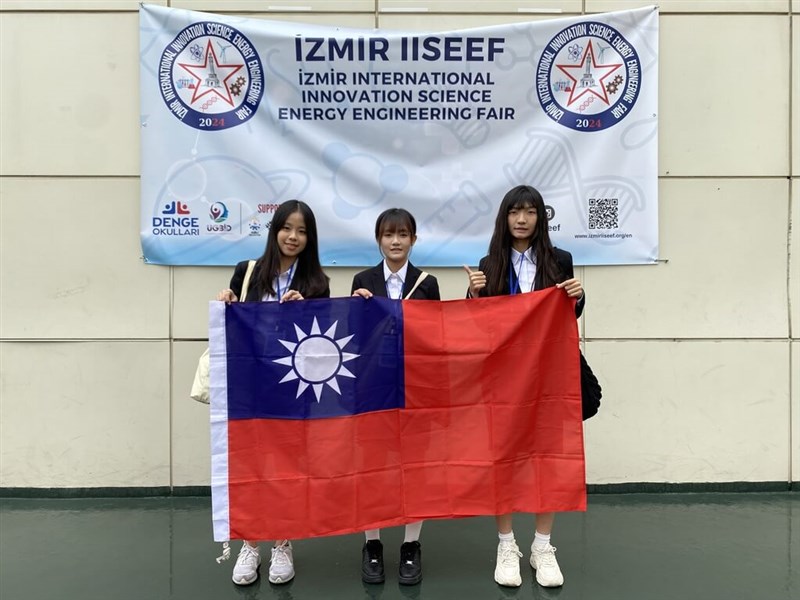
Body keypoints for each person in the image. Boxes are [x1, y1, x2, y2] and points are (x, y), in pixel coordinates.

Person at [462, 185, 584, 589]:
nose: (522, 219)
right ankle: (506, 543)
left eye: (530, 211)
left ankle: (543, 546)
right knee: (505, 456)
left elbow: (566, 316)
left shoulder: (559, 259)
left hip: (549, 375)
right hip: (503, 379)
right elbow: (479, 324)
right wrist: (474, 293)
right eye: (515, 211)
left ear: (540, 218)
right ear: (504, 217)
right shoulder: (489, 262)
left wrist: (578, 297)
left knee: (547, 455)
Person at [217, 199, 330, 586]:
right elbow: (233, 326)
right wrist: (228, 304)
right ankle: (251, 543)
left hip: (292, 393)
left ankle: (283, 542)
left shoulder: (317, 283)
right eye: (287, 228)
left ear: (309, 238)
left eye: (302, 231)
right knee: (250, 465)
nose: (293, 237)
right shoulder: (246, 273)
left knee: (288, 466)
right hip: (249, 388)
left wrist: (306, 309)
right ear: (274, 230)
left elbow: (323, 348)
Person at [350, 208, 440, 585]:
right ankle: (372, 544)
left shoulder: (427, 282)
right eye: (389, 234)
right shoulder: (362, 279)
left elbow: (437, 336)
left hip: (416, 390)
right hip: (373, 390)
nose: (396, 241)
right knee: (373, 465)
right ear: (378, 239)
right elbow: (352, 340)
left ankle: (410, 546)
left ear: (414, 240)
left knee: (414, 467)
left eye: (403, 234)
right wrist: (357, 307)